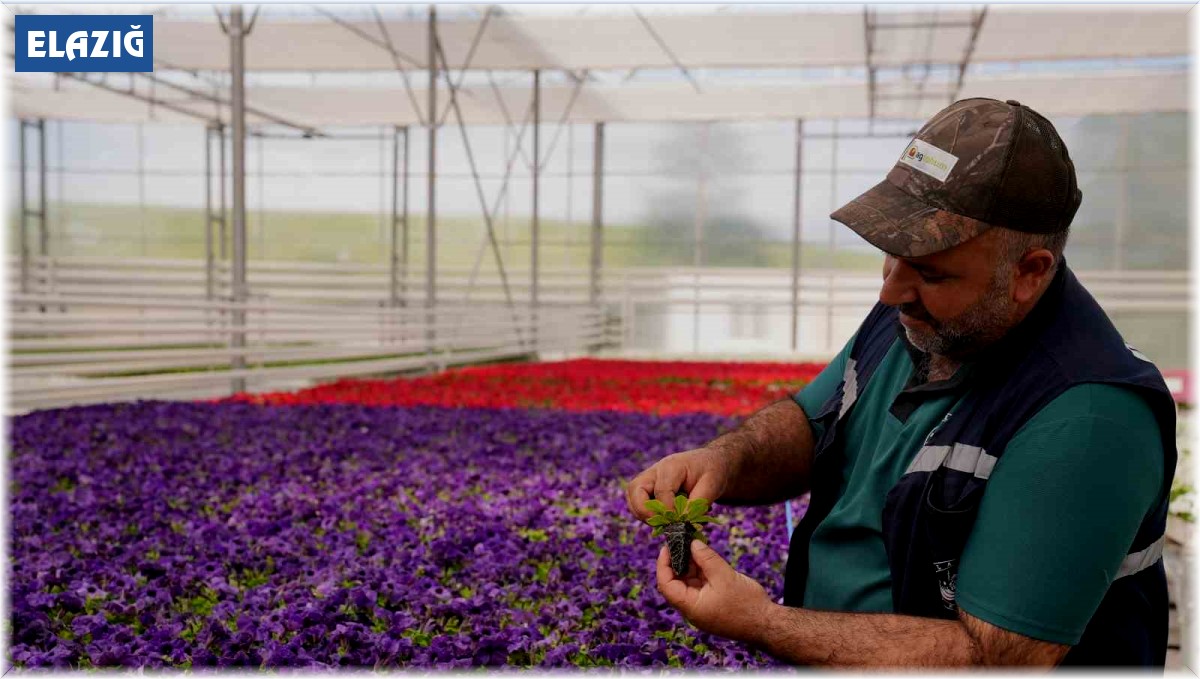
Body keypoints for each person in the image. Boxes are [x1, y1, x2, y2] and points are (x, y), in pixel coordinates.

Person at [625, 98, 1177, 668]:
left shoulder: (1085, 417)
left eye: (931, 270)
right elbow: (816, 421)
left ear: (1028, 272)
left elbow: (994, 659)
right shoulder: (925, 314)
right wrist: (724, 461)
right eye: (892, 254)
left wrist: (763, 622)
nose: (891, 290)